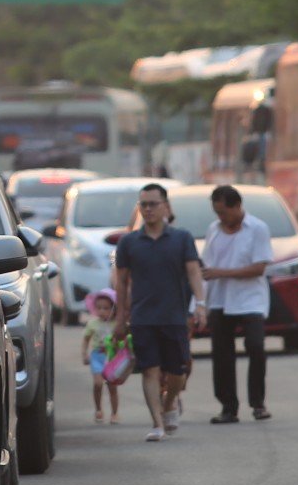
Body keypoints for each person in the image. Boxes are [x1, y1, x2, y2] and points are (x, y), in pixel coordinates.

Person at [112, 183, 204, 441]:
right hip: (142, 318)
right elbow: (121, 282)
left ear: (165, 206)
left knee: (178, 371)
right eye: (144, 205)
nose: (148, 209)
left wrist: (200, 303)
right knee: (150, 370)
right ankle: (157, 424)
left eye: (153, 204)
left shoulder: (182, 238)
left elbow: (194, 272)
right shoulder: (129, 242)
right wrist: (121, 317)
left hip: (175, 317)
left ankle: (170, 402)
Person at [201, 184, 275, 425]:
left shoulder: (257, 228)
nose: (220, 217)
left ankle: (258, 403)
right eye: (217, 213)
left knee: (255, 347)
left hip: (249, 299)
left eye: (223, 212)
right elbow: (206, 268)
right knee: (222, 355)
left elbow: (258, 268)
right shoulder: (213, 229)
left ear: (237, 206)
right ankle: (228, 407)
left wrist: (222, 272)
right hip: (220, 300)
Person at [81, 289, 128, 424]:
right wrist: (84, 354)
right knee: (97, 383)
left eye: (106, 308)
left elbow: (124, 338)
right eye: (99, 308)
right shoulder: (93, 323)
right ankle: (98, 409)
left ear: (114, 308)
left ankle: (114, 413)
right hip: (97, 355)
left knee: (112, 386)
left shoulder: (117, 324)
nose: (102, 311)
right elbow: (86, 338)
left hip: (112, 357)